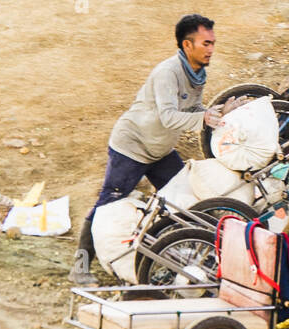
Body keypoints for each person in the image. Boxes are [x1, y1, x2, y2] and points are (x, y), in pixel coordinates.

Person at [70, 14, 226, 284]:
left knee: (185, 197)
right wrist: (203, 118)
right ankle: (80, 267)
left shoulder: (197, 73)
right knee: (108, 203)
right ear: (187, 45)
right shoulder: (168, 73)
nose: (211, 49)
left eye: (213, 43)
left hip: (160, 150)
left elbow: (190, 109)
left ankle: (195, 255)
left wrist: (217, 112)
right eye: (206, 43)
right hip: (132, 147)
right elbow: (169, 116)